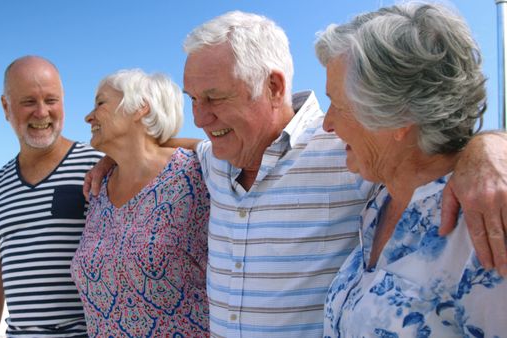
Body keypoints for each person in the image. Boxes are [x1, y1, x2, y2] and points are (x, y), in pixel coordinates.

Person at [85, 10, 507, 337]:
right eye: (192, 98)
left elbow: (424, 147)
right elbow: (184, 145)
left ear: (272, 86)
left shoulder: (349, 153)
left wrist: (487, 146)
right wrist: (117, 157)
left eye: (214, 97)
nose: (199, 117)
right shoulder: (213, 160)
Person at [315, 3, 507, 335]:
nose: (327, 124)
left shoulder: (486, 225)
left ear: (398, 115)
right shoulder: (380, 198)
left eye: (338, 104)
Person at [70, 69, 210, 337]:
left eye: (100, 103)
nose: (89, 116)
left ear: (140, 107)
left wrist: (155, 145)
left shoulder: (194, 172)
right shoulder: (99, 186)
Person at [0, 56, 103, 337]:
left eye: (51, 100)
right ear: (6, 107)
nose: (42, 112)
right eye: (28, 102)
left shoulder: (101, 168)